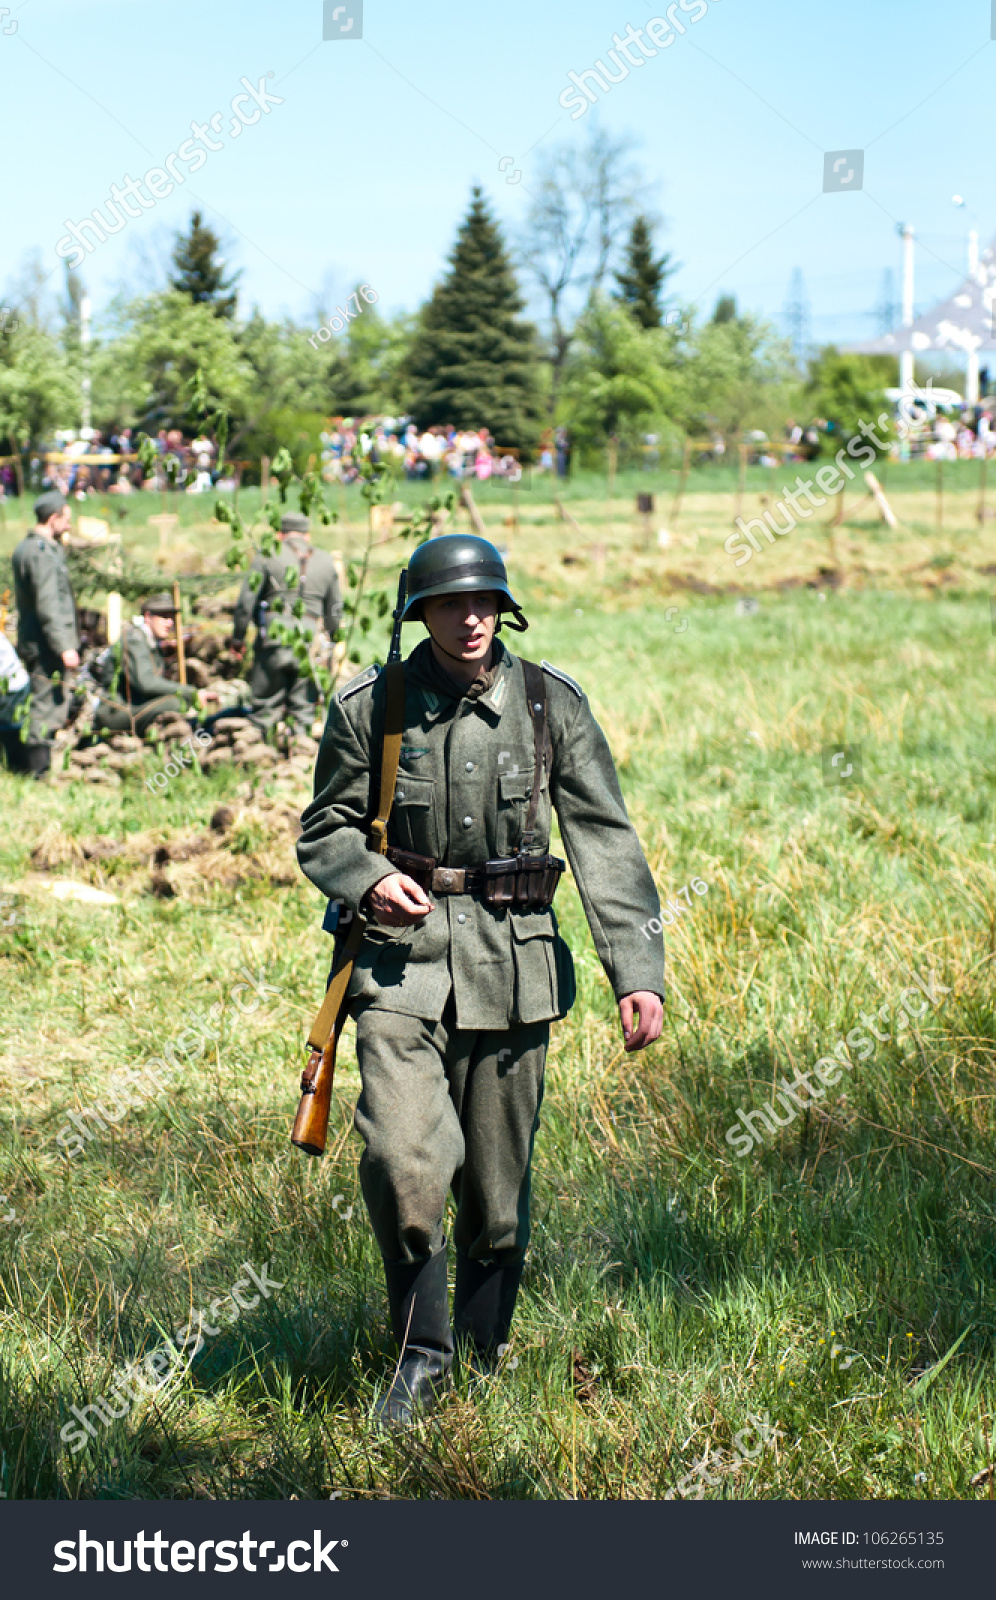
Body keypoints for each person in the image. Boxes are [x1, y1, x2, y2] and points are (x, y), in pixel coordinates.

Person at [296, 534, 665, 1427]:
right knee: (404, 1161)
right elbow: (326, 830)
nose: (471, 619)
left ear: (504, 607)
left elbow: (605, 841)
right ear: (419, 612)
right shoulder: (370, 708)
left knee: (497, 1198)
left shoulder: (549, 704)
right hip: (400, 969)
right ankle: (421, 1361)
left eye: (485, 603)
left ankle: (485, 1361)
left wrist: (636, 969)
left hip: (515, 967)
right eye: (451, 604)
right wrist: (369, 876)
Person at [231, 512, 343, 737]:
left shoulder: (267, 554)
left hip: (274, 637)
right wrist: (333, 639)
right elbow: (335, 610)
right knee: (303, 709)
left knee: (265, 707)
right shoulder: (325, 561)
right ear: (307, 535)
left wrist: (238, 637)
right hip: (310, 643)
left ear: (279, 534)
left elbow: (246, 602)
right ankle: (300, 756)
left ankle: (262, 755)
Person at [11, 490, 80, 778]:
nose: (69, 526)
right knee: (45, 705)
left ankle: (35, 768)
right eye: (66, 520)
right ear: (53, 518)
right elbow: (49, 603)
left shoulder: (28, 547)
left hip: (37, 640)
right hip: (46, 644)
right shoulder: (42, 553)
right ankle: (37, 773)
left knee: (43, 702)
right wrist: (65, 646)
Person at [93, 593, 215, 735]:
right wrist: (191, 693)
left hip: (133, 707)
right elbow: (146, 683)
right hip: (116, 712)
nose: (169, 623)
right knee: (175, 703)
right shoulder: (134, 640)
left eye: (171, 618)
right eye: (163, 617)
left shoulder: (148, 641)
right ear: (147, 617)